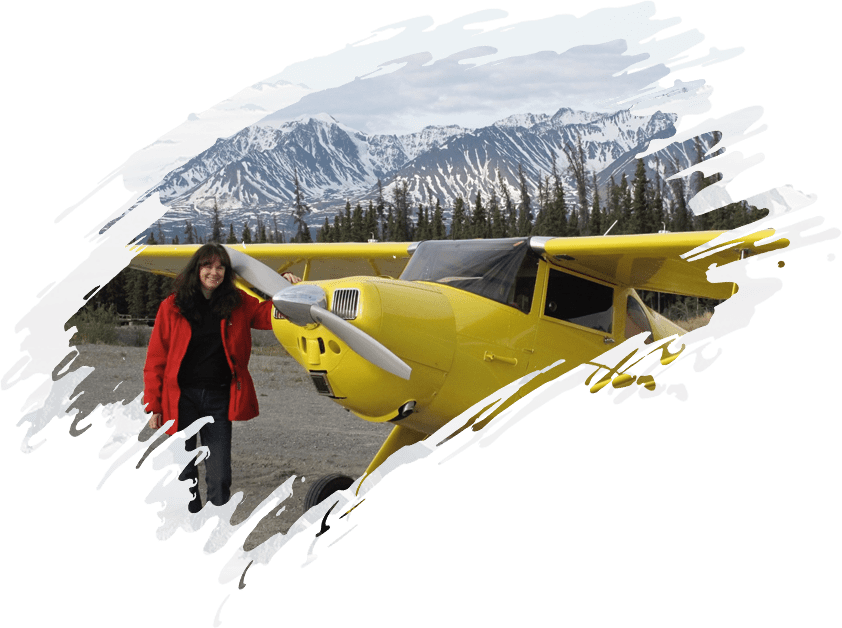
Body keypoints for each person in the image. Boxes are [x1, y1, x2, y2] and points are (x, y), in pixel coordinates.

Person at [143, 242, 297, 514]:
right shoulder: (173, 305)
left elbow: (267, 315)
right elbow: (156, 358)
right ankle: (191, 526)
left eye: (220, 267)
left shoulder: (237, 302)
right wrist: (154, 405)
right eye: (208, 266)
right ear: (197, 269)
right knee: (183, 471)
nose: (214, 272)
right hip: (181, 400)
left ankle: (215, 529)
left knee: (220, 474)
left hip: (219, 399)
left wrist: (285, 290)